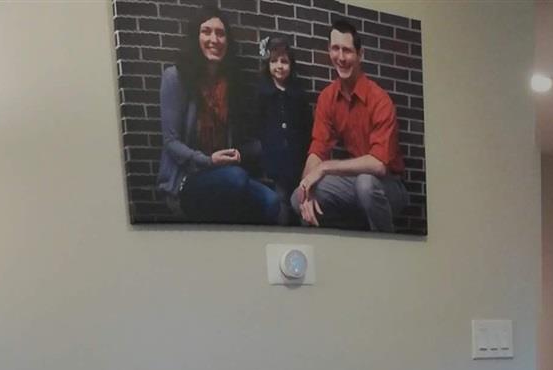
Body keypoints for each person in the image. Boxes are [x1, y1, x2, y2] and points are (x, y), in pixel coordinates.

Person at [157, 7, 281, 223]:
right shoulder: (175, 78)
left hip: (225, 173)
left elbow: (244, 140)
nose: (214, 39)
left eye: (220, 33)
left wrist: (242, 153)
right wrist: (208, 161)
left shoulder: (231, 83)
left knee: (272, 202)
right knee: (237, 178)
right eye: (206, 31)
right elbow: (171, 142)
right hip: (188, 178)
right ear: (196, 37)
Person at [294, 17, 408, 232]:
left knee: (366, 183)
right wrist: (307, 187)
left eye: (347, 50)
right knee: (296, 198)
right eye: (335, 49)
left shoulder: (379, 99)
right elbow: (318, 148)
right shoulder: (328, 97)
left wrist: (326, 168)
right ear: (329, 51)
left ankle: (386, 249)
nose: (341, 57)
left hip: (389, 185)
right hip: (352, 182)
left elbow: (378, 165)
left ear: (360, 54)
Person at [243, 34, 314, 210]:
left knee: (295, 197)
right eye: (274, 61)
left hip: (295, 158)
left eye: (284, 61)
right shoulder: (262, 93)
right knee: (279, 198)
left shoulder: (298, 94)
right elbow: (256, 124)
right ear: (268, 64)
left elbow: (306, 126)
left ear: (291, 65)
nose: (279, 66)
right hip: (272, 158)